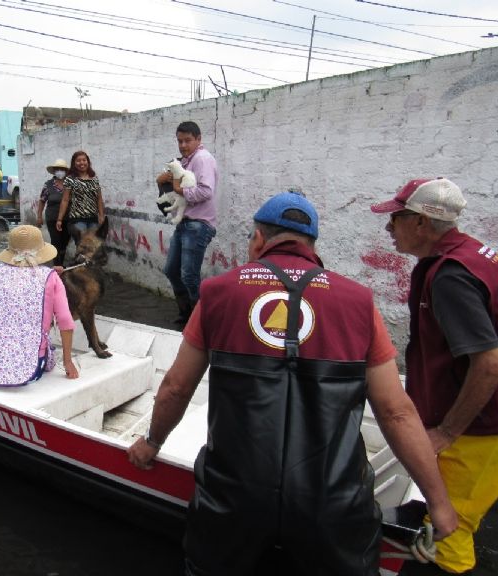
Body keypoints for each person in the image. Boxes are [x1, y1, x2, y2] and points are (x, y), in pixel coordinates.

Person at [128, 191, 457, 576]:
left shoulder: (218, 292)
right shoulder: (358, 301)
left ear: (258, 238)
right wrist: (438, 502)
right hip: (332, 504)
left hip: (233, 498)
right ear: (312, 245)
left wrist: (152, 443)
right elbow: (396, 412)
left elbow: (175, 388)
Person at [370, 178, 498, 575]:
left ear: (422, 223)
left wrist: (445, 433)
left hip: (492, 425)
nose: (389, 228)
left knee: (447, 531)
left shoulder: (452, 276)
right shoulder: (473, 254)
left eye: (396, 218)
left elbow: (492, 365)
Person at [0, 225, 79, 386]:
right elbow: (65, 321)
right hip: (29, 365)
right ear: (41, 251)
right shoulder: (51, 277)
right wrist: (68, 362)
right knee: (47, 353)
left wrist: (49, 275)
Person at [155, 121, 217, 326]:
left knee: (189, 275)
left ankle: (200, 321)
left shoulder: (202, 158)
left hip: (199, 224)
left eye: (188, 140)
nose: (183, 145)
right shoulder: (185, 162)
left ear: (199, 139)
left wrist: (178, 188)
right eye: (180, 141)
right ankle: (186, 314)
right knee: (172, 271)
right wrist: (162, 181)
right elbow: (174, 195)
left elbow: (206, 191)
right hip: (185, 224)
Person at [56, 150, 105, 242]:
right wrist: (59, 219)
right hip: (77, 220)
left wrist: (101, 215)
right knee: (82, 245)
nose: (82, 163)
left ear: (88, 162)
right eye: (78, 161)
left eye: (84, 160)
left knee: (93, 246)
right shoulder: (70, 179)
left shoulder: (94, 179)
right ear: (74, 163)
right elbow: (65, 200)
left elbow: (99, 199)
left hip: (93, 219)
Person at [37, 158, 72, 266]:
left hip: (68, 218)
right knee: (56, 241)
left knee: (64, 242)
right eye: (58, 169)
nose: (60, 171)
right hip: (52, 218)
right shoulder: (48, 185)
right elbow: (42, 201)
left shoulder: (70, 184)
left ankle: (61, 263)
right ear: (54, 171)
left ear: (66, 171)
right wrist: (39, 217)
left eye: (62, 169)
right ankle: (57, 265)